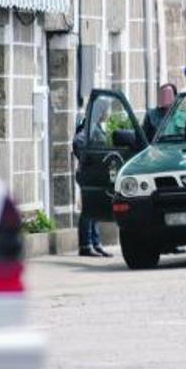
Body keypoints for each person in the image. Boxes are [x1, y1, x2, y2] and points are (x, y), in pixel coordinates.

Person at [143, 84, 186, 255]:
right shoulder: (152, 115)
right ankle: (161, 243)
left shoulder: (182, 116)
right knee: (159, 207)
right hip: (157, 167)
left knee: (178, 206)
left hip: (177, 165)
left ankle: (175, 241)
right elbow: (145, 140)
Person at [72, 105, 112, 258]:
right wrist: (90, 160)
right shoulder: (88, 127)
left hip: (96, 173)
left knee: (95, 208)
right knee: (89, 209)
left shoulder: (95, 126)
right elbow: (78, 143)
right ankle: (86, 245)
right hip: (89, 173)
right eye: (106, 110)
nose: (108, 113)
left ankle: (95, 243)